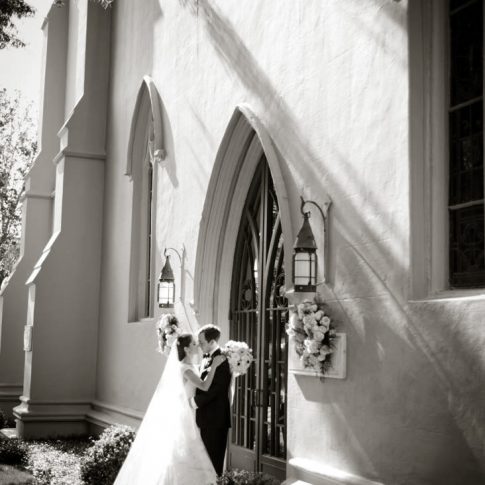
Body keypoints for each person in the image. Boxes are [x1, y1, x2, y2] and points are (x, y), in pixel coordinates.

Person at [114, 333, 225, 485]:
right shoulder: (186, 369)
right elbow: (204, 386)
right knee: (184, 455)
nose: (197, 346)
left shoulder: (192, 366)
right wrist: (214, 366)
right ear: (186, 349)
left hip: (193, 413)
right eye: (194, 344)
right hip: (186, 416)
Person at [192, 324, 232, 476]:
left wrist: (195, 402)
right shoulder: (207, 357)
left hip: (216, 419)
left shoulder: (222, 359)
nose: (199, 345)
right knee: (204, 464)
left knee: (213, 464)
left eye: (202, 342)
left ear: (212, 342)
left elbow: (216, 389)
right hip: (205, 418)